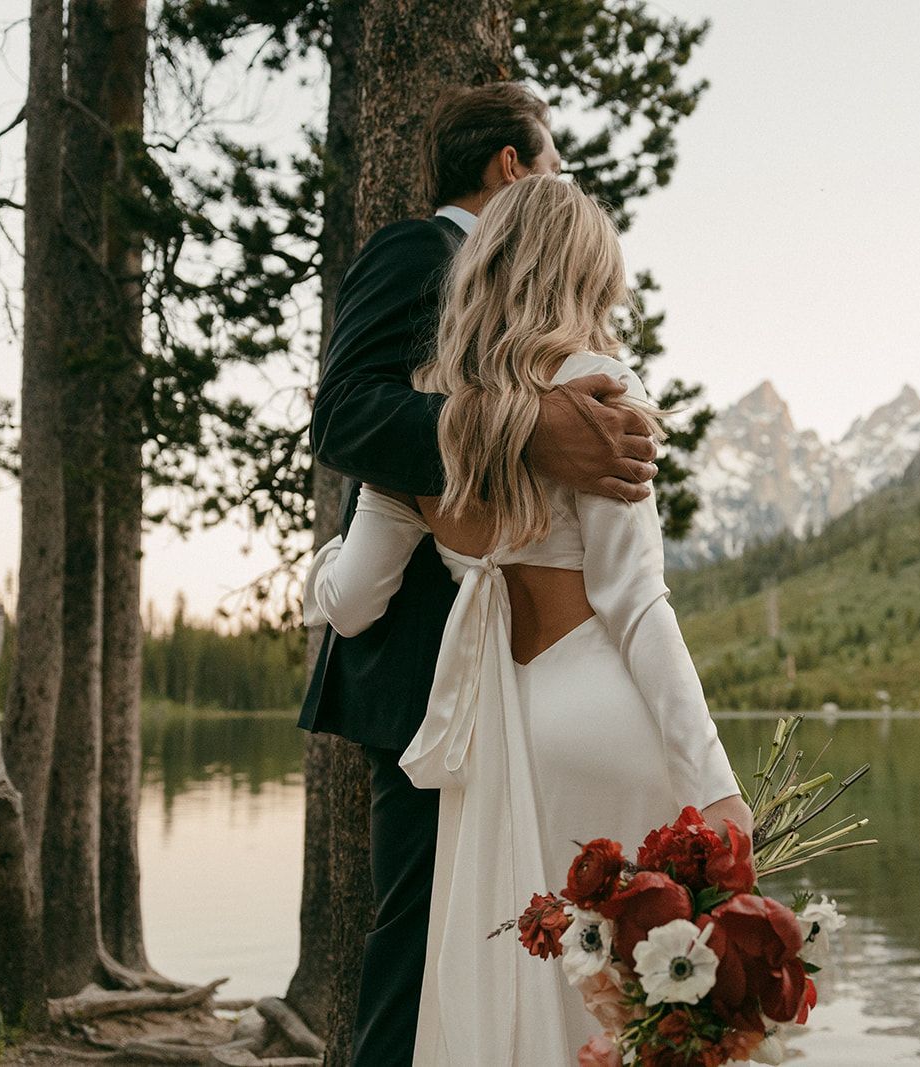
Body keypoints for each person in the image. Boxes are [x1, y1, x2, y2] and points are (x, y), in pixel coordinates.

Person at [305, 175, 752, 1064]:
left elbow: (352, 602)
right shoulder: (595, 390)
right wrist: (715, 784)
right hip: (601, 714)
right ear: (583, 276)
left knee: (523, 1002)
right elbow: (637, 605)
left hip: (500, 743)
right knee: (634, 1009)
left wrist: (318, 571)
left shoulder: (431, 417)